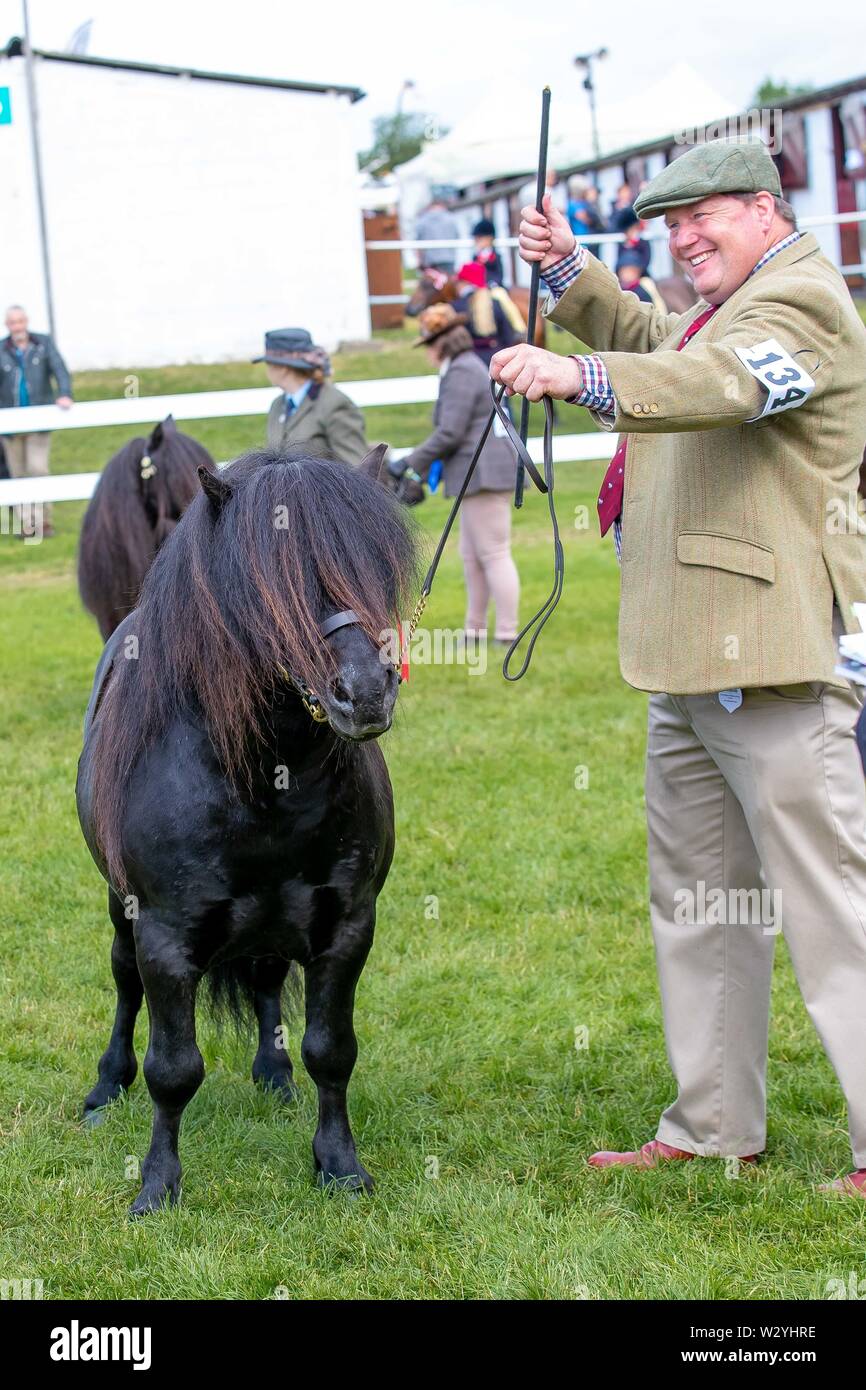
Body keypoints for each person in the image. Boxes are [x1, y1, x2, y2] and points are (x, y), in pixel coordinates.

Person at [491, 139, 866, 1199]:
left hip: (778, 658)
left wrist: (580, 374)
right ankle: (710, 1126)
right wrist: (571, 276)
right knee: (700, 906)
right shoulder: (736, 300)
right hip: (691, 661)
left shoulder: (801, 302)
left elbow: (712, 380)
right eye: (667, 226)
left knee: (832, 911)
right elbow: (667, 339)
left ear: (761, 206)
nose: (682, 239)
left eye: (699, 217)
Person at [394, 303, 519, 644]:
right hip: (475, 473)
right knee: (472, 554)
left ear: (441, 343)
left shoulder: (462, 371)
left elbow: (450, 431)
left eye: (429, 345)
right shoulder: (463, 367)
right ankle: (474, 629)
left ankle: (508, 631)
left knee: (493, 553)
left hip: (483, 472)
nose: (428, 353)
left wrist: (408, 462)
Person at [0, 305, 73, 538]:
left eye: (20, 321)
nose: (17, 326)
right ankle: (27, 525)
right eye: (13, 322)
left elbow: (59, 369)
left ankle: (43, 522)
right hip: (10, 425)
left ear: (26, 321)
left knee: (37, 469)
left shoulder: (42, 343)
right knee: (18, 473)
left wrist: (64, 393)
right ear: (7, 325)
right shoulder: (2, 349)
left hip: (38, 421)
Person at [255, 328, 368, 466]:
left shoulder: (335, 404)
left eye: (269, 364)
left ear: (283, 367)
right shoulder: (278, 405)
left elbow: (355, 467)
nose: (267, 371)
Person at [452, 262, 524, 366]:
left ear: (464, 282)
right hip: (497, 360)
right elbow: (507, 336)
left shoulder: (456, 306)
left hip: (470, 363)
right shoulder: (495, 303)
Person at [414, 196, 460, 274]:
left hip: (430, 261)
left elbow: (418, 244)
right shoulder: (451, 219)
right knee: (448, 285)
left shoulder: (422, 220)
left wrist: (419, 262)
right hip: (448, 259)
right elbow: (457, 237)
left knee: (431, 285)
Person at [471, 218, 505, 287]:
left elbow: (499, 275)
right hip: (479, 286)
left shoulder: (496, 256)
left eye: (479, 238)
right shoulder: (475, 256)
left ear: (490, 238)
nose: (476, 241)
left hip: (493, 286)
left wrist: (492, 283)